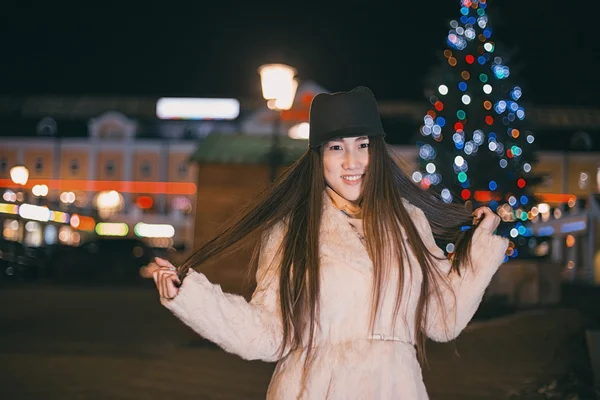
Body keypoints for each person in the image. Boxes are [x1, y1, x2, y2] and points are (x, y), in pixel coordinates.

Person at [147, 86, 509, 399]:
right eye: (336, 147)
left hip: (395, 388)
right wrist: (193, 297)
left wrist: (479, 245)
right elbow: (270, 334)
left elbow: (442, 320)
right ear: (319, 157)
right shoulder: (293, 229)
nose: (352, 161)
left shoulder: (409, 222)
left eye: (363, 145)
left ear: (377, 152)